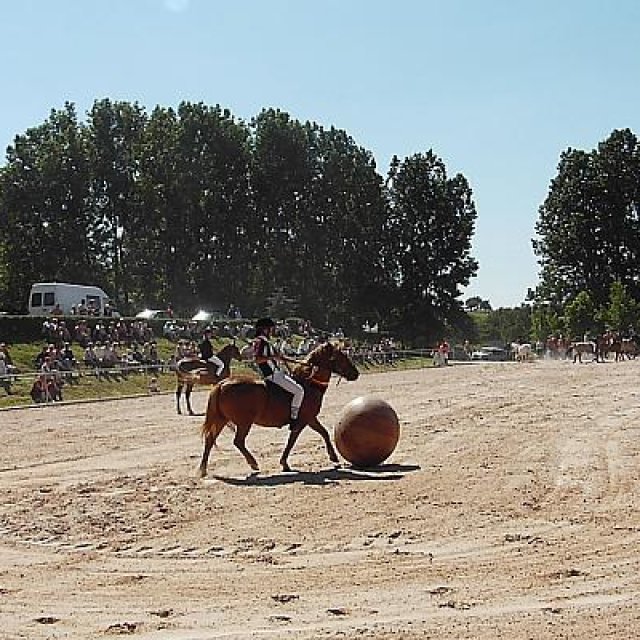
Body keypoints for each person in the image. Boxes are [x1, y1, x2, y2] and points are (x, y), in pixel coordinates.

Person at [253, 317, 304, 429]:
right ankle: (294, 418)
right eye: (271, 329)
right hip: (272, 375)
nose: (272, 331)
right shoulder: (260, 342)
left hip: (277, 372)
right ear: (265, 329)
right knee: (299, 391)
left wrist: (297, 362)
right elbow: (257, 359)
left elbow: (279, 357)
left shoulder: (266, 342)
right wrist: (273, 357)